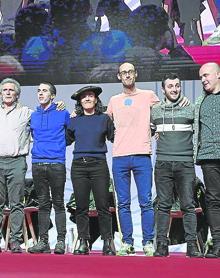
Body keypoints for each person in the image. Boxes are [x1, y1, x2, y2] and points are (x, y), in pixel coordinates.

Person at [106, 62, 160, 256]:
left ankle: (148, 242)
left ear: (136, 74)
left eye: (130, 72)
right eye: (123, 73)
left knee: (145, 201)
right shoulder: (114, 100)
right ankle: (127, 243)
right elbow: (102, 120)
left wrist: (157, 128)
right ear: (118, 77)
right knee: (123, 203)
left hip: (142, 155)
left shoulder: (148, 96)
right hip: (119, 156)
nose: (127, 75)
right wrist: (74, 111)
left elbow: (165, 112)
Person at [151, 73, 203, 258]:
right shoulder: (155, 110)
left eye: (177, 86)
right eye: (170, 86)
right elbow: (147, 126)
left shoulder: (190, 108)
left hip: (185, 163)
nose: (174, 89)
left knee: (188, 205)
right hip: (163, 163)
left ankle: (192, 245)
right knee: (163, 205)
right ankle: (161, 246)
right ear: (163, 89)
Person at [66, 85, 116, 256]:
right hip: (79, 166)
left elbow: (115, 137)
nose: (87, 98)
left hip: (98, 165)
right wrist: (65, 116)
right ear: (80, 101)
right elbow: (65, 140)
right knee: (81, 207)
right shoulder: (74, 120)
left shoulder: (104, 119)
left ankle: (108, 242)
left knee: (103, 206)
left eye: (90, 96)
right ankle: (83, 241)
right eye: (84, 97)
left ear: (96, 99)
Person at [28, 82, 70, 254]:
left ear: (52, 95)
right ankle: (43, 242)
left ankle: (60, 241)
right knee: (43, 204)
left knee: (59, 203)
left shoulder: (63, 112)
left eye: (44, 90)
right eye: (38, 90)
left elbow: (72, 132)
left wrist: (58, 148)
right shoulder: (33, 115)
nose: (40, 93)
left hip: (56, 164)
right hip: (38, 163)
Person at [0, 78, 31, 253]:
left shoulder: (26, 112)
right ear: (1, 93)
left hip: (17, 162)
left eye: (11, 90)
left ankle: (15, 241)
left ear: (17, 94)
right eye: (5, 90)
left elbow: (46, 112)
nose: (8, 92)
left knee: (16, 204)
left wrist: (60, 106)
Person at [194, 62, 220, 258]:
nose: (203, 79)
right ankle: (218, 243)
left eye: (206, 75)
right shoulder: (199, 101)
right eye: (201, 76)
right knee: (212, 200)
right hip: (209, 156)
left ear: (218, 75)